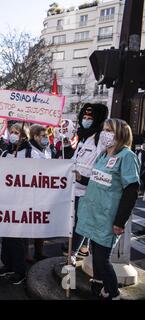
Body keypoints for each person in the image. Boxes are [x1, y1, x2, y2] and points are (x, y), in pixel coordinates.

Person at [75, 119, 139, 300]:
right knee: (96, 255)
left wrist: (120, 221)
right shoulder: (103, 155)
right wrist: (81, 178)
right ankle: (98, 284)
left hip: (108, 218)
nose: (105, 133)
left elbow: (131, 190)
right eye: (104, 129)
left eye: (109, 130)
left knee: (103, 260)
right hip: (93, 214)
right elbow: (99, 180)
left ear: (121, 134)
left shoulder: (127, 156)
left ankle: (113, 293)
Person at [66, 103, 109, 262]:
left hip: (89, 190)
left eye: (90, 118)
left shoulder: (100, 138)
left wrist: (84, 178)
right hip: (76, 188)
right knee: (79, 220)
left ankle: (73, 254)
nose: (86, 120)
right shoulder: (84, 137)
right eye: (84, 117)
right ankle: (83, 249)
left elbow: (103, 166)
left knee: (81, 222)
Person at [0, 122, 31, 285]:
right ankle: (8, 265)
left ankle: (20, 270)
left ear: (24, 135)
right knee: (6, 235)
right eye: (11, 131)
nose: (13, 134)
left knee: (17, 238)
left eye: (16, 132)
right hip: (6, 199)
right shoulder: (5, 153)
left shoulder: (30, 153)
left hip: (22, 201)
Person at [26, 124, 53, 262]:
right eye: (43, 136)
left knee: (40, 221)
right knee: (28, 221)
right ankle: (26, 253)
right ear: (35, 136)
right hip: (31, 191)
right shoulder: (29, 150)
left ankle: (39, 251)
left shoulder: (47, 149)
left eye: (46, 135)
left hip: (44, 191)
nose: (45, 138)